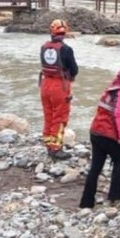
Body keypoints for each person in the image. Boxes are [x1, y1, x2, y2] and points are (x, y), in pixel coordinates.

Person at [80, 68, 120, 209]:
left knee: (95, 168)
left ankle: (86, 202)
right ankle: (115, 196)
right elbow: (119, 114)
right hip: (110, 135)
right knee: (118, 162)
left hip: (96, 132)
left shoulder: (112, 88)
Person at [39, 19, 78, 160]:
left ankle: (49, 144)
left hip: (45, 84)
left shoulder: (44, 47)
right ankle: (56, 148)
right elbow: (74, 69)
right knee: (60, 117)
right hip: (60, 86)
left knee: (48, 115)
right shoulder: (66, 49)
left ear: (52, 32)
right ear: (64, 32)